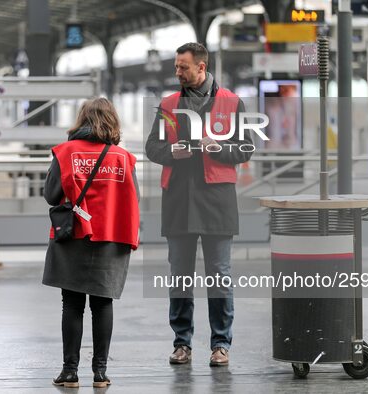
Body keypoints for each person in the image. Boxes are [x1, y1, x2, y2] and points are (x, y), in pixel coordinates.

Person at [145, 42, 253, 366]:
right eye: (176, 66)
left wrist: (217, 147)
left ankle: (221, 344)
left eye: (183, 67)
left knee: (219, 275)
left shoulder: (232, 103)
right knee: (179, 276)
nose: (177, 72)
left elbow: (246, 148)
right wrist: (171, 154)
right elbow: (152, 147)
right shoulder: (168, 104)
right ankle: (182, 344)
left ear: (201, 68)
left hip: (217, 202)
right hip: (178, 201)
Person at [43, 98, 140, 388]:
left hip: (72, 236)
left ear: (81, 119)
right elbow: (132, 201)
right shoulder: (123, 158)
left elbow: (50, 194)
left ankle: (70, 372)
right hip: (111, 237)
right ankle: (100, 373)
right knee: (102, 304)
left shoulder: (66, 152)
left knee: (71, 304)